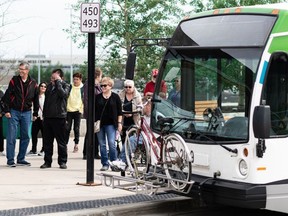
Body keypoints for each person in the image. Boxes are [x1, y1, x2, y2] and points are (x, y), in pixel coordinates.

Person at [1, 61, 39, 167]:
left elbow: (36, 99)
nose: (20, 71)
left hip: (27, 112)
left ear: (27, 70)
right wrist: (6, 111)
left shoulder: (33, 83)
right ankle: (10, 160)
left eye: (22, 69)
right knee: (11, 136)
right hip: (14, 111)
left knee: (26, 136)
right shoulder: (14, 80)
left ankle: (21, 158)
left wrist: (35, 113)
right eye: (19, 69)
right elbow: (7, 96)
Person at [40, 69, 70, 169]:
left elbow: (64, 95)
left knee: (61, 142)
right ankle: (47, 162)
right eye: (52, 78)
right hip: (48, 117)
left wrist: (58, 83)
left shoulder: (66, 85)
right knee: (47, 142)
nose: (52, 80)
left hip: (59, 117)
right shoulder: (49, 87)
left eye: (55, 78)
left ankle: (62, 161)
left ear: (61, 77)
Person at [111, 99, 151, 171]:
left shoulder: (153, 117)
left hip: (149, 137)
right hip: (143, 135)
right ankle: (122, 160)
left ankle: (123, 161)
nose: (144, 108)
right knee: (130, 139)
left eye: (147, 106)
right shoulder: (145, 117)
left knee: (132, 140)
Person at [95, 77, 122, 171]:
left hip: (111, 124)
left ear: (110, 86)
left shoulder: (115, 97)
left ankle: (114, 162)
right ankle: (105, 163)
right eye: (101, 85)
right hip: (100, 124)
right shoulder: (97, 97)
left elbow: (119, 112)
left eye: (105, 85)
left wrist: (119, 123)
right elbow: (94, 111)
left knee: (111, 143)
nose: (103, 87)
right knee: (102, 144)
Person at [82, 67, 102, 160]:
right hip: (91, 112)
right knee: (90, 132)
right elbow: (86, 99)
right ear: (98, 75)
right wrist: (88, 111)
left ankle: (95, 152)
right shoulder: (89, 84)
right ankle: (86, 152)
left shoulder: (98, 85)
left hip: (97, 112)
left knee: (96, 131)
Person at [118, 79, 142, 151]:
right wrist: (124, 113)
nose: (127, 88)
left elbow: (140, 106)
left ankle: (132, 153)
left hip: (134, 119)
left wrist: (134, 112)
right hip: (123, 120)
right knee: (124, 138)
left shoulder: (137, 95)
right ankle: (124, 154)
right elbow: (118, 106)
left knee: (133, 138)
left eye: (129, 87)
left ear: (133, 87)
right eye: (126, 87)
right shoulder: (120, 94)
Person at [65, 72, 84, 153]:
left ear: (80, 80)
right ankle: (65, 144)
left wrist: (81, 109)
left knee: (76, 128)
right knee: (67, 128)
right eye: (74, 79)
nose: (75, 81)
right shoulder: (70, 87)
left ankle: (76, 144)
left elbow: (83, 100)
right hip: (69, 110)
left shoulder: (82, 88)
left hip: (77, 111)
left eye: (77, 79)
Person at [27, 82, 47, 156]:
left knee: (44, 135)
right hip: (36, 118)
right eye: (41, 86)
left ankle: (44, 149)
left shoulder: (46, 97)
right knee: (34, 134)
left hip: (43, 118)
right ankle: (33, 149)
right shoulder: (35, 96)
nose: (43, 87)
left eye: (45, 87)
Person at [0, 89, 5, 156]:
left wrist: (2, 113)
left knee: (0, 133)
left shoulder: (1, 93)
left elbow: (4, 103)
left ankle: (1, 149)